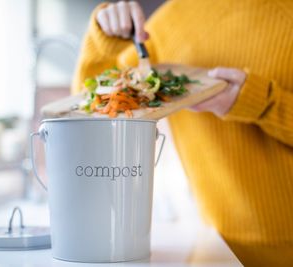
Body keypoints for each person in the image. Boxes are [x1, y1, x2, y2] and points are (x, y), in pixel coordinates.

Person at [71, 1, 293, 266]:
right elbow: (88, 118)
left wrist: (263, 103)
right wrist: (102, 41)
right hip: (215, 246)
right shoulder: (165, 25)